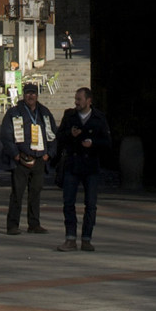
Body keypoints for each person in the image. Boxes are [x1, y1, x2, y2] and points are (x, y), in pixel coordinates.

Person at [54, 87, 112, 252]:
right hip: (72, 164)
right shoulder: (69, 116)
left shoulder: (99, 118)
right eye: (76, 99)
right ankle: (70, 238)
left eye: (79, 99)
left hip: (91, 166)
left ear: (89, 101)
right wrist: (70, 135)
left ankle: (87, 238)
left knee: (91, 204)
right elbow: (59, 137)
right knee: (68, 202)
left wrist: (93, 143)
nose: (76, 102)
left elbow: (107, 142)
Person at [0, 80, 57, 235]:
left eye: (33, 93)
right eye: (28, 93)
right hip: (21, 159)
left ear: (37, 95)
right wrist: (16, 154)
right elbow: (6, 136)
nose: (31, 96)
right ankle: (12, 225)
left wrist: (49, 154)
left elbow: (52, 134)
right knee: (17, 193)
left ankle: (34, 224)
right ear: (23, 95)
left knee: (35, 192)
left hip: (40, 158)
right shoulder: (14, 112)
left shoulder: (44, 113)